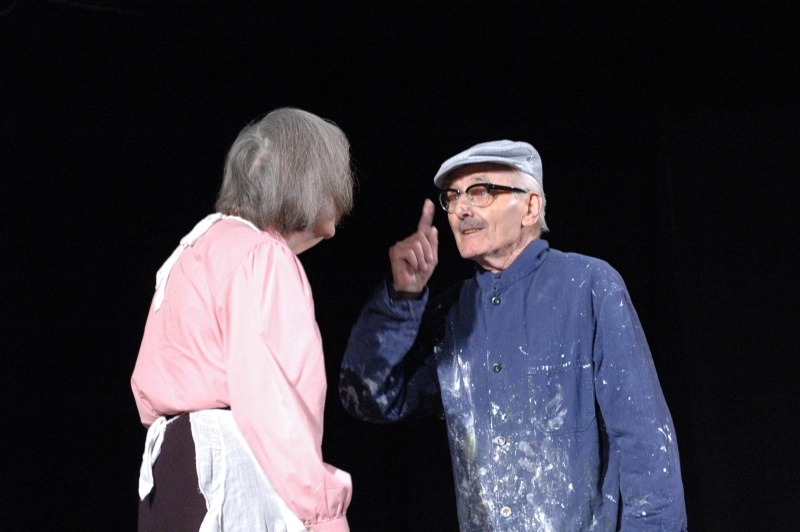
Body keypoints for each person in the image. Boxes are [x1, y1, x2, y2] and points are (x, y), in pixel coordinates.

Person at [339, 140, 687, 530]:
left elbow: (646, 446)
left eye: (480, 191)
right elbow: (367, 398)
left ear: (531, 207)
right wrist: (402, 297)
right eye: (452, 196)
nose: (462, 208)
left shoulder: (588, 286)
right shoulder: (452, 314)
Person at [131, 107, 354, 532]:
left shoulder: (195, 247)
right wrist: (325, 518)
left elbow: (148, 388)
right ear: (309, 184)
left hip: (172, 475)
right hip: (224, 471)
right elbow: (275, 409)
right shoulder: (262, 257)